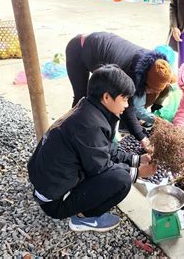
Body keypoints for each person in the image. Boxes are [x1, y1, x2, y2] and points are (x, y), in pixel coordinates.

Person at [28, 65, 158, 232]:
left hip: (45, 184)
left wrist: (137, 160)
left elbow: (105, 149)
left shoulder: (89, 109)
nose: (127, 105)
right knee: (122, 181)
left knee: (118, 171)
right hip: (54, 201)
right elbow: (101, 167)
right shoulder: (90, 125)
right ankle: (83, 218)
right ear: (106, 97)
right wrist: (138, 172)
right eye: (124, 98)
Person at [65, 32, 176, 151]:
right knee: (82, 99)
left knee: (108, 104)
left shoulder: (152, 66)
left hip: (99, 50)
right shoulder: (130, 72)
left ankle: (100, 141)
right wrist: (142, 137)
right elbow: (127, 108)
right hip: (78, 49)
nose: (151, 92)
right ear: (145, 82)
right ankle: (69, 137)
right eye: (151, 89)